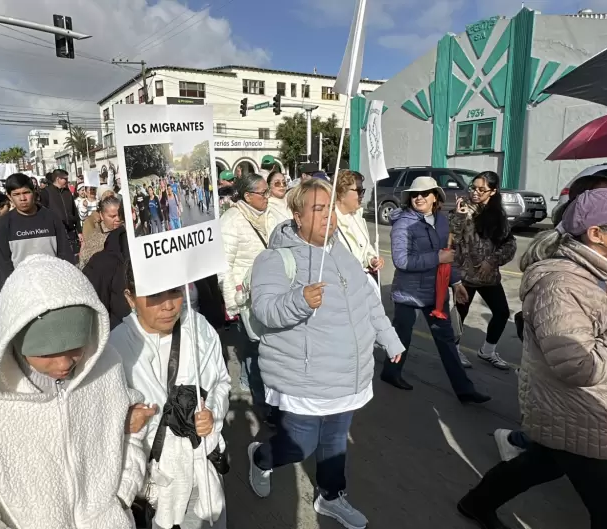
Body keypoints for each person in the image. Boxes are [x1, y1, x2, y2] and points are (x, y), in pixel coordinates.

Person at [457, 187, 607, 529]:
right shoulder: (560, 284)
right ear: (596, 233)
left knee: (543, 463)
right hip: (577, 410)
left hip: (574, 410)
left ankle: (475, 503)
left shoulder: (599, 268)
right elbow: (580, 366)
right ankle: (476, 504)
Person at [0, 255, 151, 529]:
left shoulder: (105, 365)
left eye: (76, 347)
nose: (64, 364)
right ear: (13, 337)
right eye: (45, 353)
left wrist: (120, 497)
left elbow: (132, 428)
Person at [247, 178, 405, 529]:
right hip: (306, 378)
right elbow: (266, 311)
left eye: (329, 209)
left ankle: (331, 496)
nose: (327, 218)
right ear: (297, 215)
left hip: (348, 375)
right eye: (316, 210)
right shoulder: (275, 258)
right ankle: (261, 457)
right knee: (301, 444)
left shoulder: (342, 253)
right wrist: (299, 300)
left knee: (335, 443)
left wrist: (389, 339)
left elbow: (368, 302)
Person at [108, 266, 231, 529]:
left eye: (175, 291)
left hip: (204, 471)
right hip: (158, 483)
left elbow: (222, 381)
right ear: (130, 298)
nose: (168, 306)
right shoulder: (115, 350)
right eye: (153, 295)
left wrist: (213, 412)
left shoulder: (198, 329)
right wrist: (123, 420)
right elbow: (100, 421)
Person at [382, 176, 490, 403]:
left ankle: (464, 390)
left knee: (446, 341)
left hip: (436, 293)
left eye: (424, 193)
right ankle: (391, 373)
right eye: (414, 194)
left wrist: (456, 282)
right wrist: (437, 257)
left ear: (435, 197)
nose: (419, 197)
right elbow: (402, 261)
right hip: (408, 294)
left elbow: (447, 257)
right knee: (401, 338)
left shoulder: (441, 221)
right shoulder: (404, 223)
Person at [450, 170, 517, 369]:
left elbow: (509, 244)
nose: (476, 192)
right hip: (465, 276)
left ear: (493, 192)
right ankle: (453, 350)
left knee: (502, 312)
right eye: (474, 188)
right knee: (460, 313)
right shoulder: (463, 209)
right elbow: (452, 239)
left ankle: (487, 351)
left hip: (488, 276)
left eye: (482, 189)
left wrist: (492, 261)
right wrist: (459, 217)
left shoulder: (498, 215)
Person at [219, 174, 270, 406]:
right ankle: (259, 400)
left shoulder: (267, 215)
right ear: (248, 196)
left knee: (262, 348)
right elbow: (223, 266)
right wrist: (233, 303)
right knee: (255, 348)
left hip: (267, 293)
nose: (267, 197)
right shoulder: (231, 220)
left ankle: (253, 383)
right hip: (245, 297)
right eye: (263, 193)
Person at [0, 173, 74, 290]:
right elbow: (4, 262)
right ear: (9, 197)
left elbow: (65, 253)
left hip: (54, 283)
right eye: (16, 194)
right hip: (23, 286)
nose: (22, 198)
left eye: (26, 192)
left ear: (34, 192)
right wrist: (14, 286)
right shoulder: (4, 223)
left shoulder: (51, 218)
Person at [333, 169, 384, 276]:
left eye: (363, 190)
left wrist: (373, 260)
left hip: (363, 281)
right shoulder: (330, 221)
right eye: (359, 190)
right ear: (341, 193)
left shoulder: (357, 216)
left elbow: (365, 249)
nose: (362, 195)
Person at [39, 168, 82, 259]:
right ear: (58, 179)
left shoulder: (67, 193)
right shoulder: (45, 192)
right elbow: (42, 214)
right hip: (55, 232)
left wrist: (79, 231)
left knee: (74, 258)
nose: (67, 181)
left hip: (70, 231)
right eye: (65, 179)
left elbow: (75, 212)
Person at [79, 194, 123, 269]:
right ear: (102, 216)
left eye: (120, 215)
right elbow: (85, 265)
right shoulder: (94, 239)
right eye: (112, 216)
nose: (118, 219)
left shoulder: (126, 231)